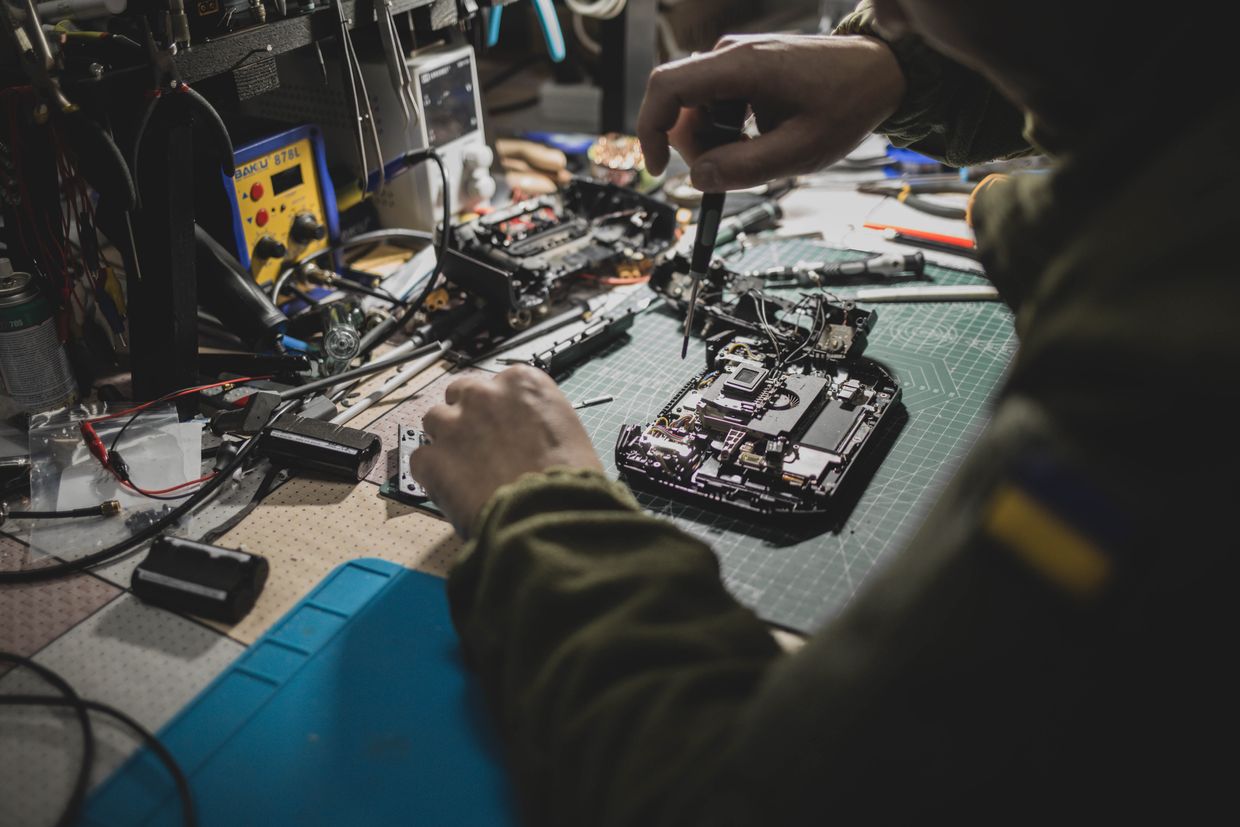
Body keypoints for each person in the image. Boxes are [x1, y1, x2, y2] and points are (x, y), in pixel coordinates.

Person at [409, 1, 1234, 823]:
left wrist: (541, 506)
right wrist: (899, 68)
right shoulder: (1188, 139)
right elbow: (1144, 60)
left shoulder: (1171, 355)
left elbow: (735, 800)